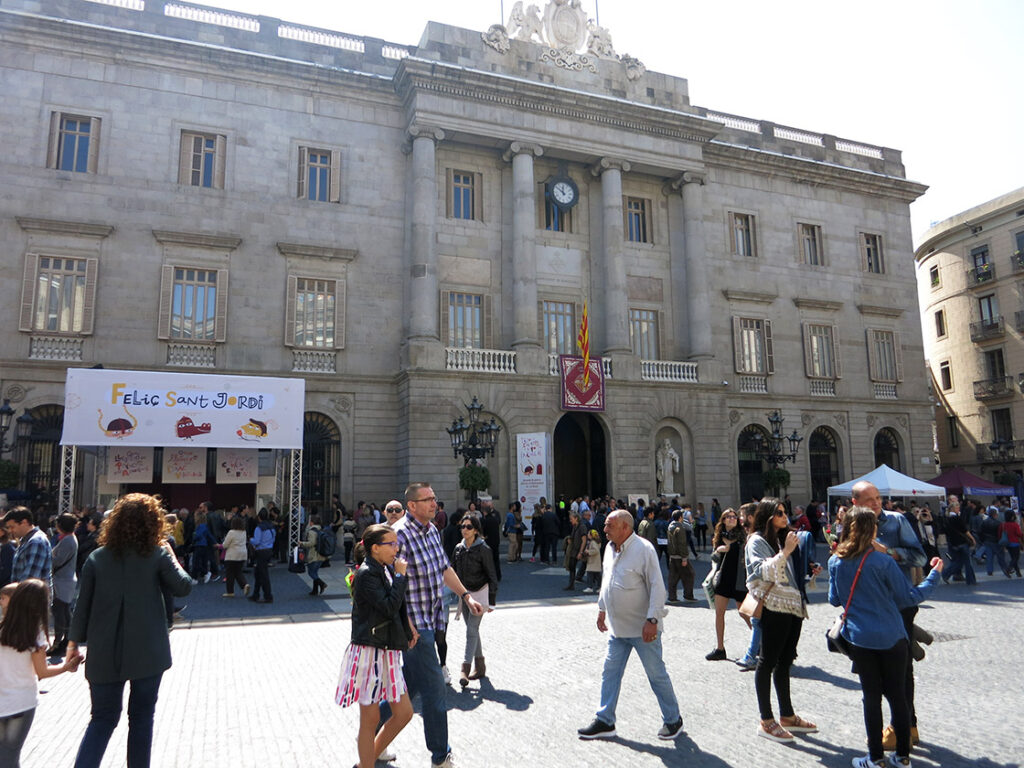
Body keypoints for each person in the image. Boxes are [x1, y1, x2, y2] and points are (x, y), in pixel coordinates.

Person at [68, 493, 193, 768]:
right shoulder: (157, 554)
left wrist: (72, 645)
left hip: (103, 651)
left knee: (101, 719)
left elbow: (82, 605)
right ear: (153, 522)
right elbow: (183, 586)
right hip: (148, 650)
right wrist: (170, 553)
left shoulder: (96, 558)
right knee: (141, 718)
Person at [829, 507, 943, 768]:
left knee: (871, 697)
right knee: (898, 696)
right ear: (874, 531)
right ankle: (903, 757)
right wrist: (935, 573)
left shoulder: (836, 561)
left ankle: (875, 758)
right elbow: (911, 597)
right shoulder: (884, 562)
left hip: (860, 639)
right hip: (893, 637)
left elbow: (834, 599)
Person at [389, 483, 483, 768]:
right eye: (427, 499)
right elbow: (391, 584)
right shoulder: (399, 535)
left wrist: (465, 596)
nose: (434, 503)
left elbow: (444, 569)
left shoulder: (432, 531)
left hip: (431, 618)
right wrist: (407, 625)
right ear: (412, 506)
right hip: (415, 626)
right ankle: (441, 757)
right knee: (434, 690)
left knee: (407, 687)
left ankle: (371, 734)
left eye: (434, 498)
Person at [577, 510, 683, 742]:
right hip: (617, 629)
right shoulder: (608, 548)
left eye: (609, 526)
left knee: (656, 675)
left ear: (625, 527)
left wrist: (653, 620)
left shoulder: (644, 549)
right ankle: (605, 720)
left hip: (643, 628)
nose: (604, 530)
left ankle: (673, 719)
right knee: (610, 673)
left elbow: (657, 587)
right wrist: (602, 608)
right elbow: (607, 580)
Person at [336, 524, 415, 768]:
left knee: (404, 713)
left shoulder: (384, 568)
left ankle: (366, 760)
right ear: (375, 548)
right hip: (370, 650)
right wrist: (401, 577)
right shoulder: (367, 573)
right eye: (391, 544)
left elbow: (396, 607)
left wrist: (407, 627)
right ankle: (366, 764)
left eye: (396, 543)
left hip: (387, 649)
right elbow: (388, 606)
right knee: (370, 719)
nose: (396, 548)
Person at [745, 497, 817, 743]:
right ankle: (766, 720)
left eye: (785, 512)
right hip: (774, 605)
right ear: (767, 516)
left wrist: (808, 567)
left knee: (785, 661)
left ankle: (787, 714)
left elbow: (790, 571)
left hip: (793, 605)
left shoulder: (782, 537)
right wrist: (786, 551)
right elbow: (760, 570)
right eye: (779, 513)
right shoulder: (756, 541)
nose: (785, 517)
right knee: (767, 661)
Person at [0, 579, 82, 767]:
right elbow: (42, 672)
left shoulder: (2, 628)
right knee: (10, 757)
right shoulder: (34, 634)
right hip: (21, 702)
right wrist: (65, 667)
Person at [451, 512, 497, 687]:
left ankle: (465, 668)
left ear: (476, 530)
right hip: (464, 594)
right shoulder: (458, 548)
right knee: (473, 631)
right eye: (463, 526)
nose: (465, 530)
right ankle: (481, 666)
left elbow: (492, 575)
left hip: (480, 594)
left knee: (471, 630)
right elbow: (452, 572)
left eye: (469, 527)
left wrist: (491, 601)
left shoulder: (484, 549)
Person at [706, 507, 750, 662]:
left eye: (734, 516)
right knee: (719, 613)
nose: (732, 518)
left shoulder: (743, 536)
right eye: (728, 517)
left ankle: (759, 642)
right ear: (723, 520)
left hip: (739, 579)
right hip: (723, 578)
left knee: (744, 613)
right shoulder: (719, 537)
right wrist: (719, 550)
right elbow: (713, 558)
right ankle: (720, 648)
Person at [49, 513, 79, 658]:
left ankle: (60, 642)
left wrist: (49, 556)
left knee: (61, 613)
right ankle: (65, 641)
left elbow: (58, 561)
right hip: (65, 580)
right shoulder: (69, 539)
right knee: (65, 613)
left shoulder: (67, 540)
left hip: (63, 581)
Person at [4, 508, 52, 588]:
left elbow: (29, 580)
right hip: (25, 596)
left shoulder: (36, 542)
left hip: (31, 598)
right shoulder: (26, 540)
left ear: (24, 522)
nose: (9, 531)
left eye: (12, 527)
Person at [666, 509, 695, 603]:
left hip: (672, 555)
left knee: (673, 577)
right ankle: (688, 595)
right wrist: (684, 558)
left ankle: (672, 596)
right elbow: (682, 543)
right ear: (680, 517)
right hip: (680, 556)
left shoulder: (670, 526)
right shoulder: (680, 528)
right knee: (690, 574)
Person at [248, 508, 276, 604]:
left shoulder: (259, 528)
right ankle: (256, 594)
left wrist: (250, 540)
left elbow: (256, 541)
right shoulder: (271, 527)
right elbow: (273, 539)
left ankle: (268, 596)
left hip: (261, 551)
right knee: (259, 573)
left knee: (263, 574)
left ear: (259, 517)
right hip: (269, 550)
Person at [978, 506, 1011, 577]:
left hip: (987, 541)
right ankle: (1004, 569)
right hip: (996, 541)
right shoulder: (998, 523)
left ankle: (989, 571)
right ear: (995, 515)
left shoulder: (984, 522)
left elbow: (980, 532)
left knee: (989, 557)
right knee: (1000, 557)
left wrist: (983, 540)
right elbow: (1000, 533)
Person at [221, 516, 250, 597]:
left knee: (230, 573)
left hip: (232, 555)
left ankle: (230, 592)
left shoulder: (231, 532)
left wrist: (221, 545)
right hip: (242, 554)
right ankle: (245, 585)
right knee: (238, 571)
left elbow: (225, 545)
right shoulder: (244, 532)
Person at [303, 514, 328, 596]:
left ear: (311, 522)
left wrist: (301, 543)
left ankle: (321, 584)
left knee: (311, 573)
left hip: (314, 555)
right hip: (321, 555)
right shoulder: (322, 530)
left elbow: (311, 543)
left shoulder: (312, 531)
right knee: (315, 572)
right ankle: (315, 590)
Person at [565, 510, 589, 590]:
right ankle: (571, 584)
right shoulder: (575, 526)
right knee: (572, 566)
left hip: (578, 549)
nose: (570, 520)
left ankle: (595, 582)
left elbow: (584, 540)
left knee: (586, 565)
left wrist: (580, 552)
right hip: (574, 549)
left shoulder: (582, 527)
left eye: (571, 519)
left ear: (576, 518)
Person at [1001, 509, 1022, 577]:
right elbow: (1019, 534)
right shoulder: (1015, 524)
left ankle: (1018, 572)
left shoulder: (1004, 524)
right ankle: (1008, 569)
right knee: (1016, 558)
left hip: (1007, 543)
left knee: (1013, 558)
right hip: (1015, 542)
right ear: (1012, 517)